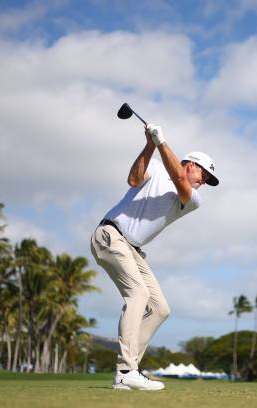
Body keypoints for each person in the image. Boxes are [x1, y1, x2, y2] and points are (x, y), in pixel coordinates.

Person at [90, 123, 219, 391]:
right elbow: (134, 180)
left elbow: (180, 180)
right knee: (138, 295)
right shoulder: (157, 170)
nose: (202, 182)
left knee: (160, 308)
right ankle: (126, 371)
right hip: (111, 235)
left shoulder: (193, 198)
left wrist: (161, 142)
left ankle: (128, 371)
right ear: (189, 164)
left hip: (133, 249)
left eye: (206, 180)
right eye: (203, 175)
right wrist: (150, 144)